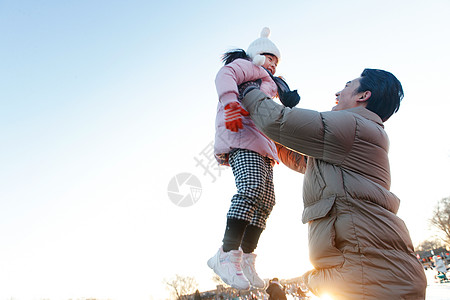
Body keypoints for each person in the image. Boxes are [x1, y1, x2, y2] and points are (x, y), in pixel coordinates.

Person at [238, 69, 427, 299]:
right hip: (376, 276)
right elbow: (300, 157)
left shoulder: (354, 126)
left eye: (347, 85)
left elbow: (280, 122)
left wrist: (248, 89)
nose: (338, 92)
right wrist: (265, 135)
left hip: (373, 280)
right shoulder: (358, 133)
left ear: (363, 96)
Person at [207, 27, 299, 290]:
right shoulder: (248, 67)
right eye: (269, 57)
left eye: (276, 61)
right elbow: (225, 75)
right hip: (240, 136)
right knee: (250, 189)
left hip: (262, 145)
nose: (271, 63)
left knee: (267, 201)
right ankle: (225, 254)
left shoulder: (269, 81)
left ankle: (246, 257)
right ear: (256, 55)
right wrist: (230, 103)